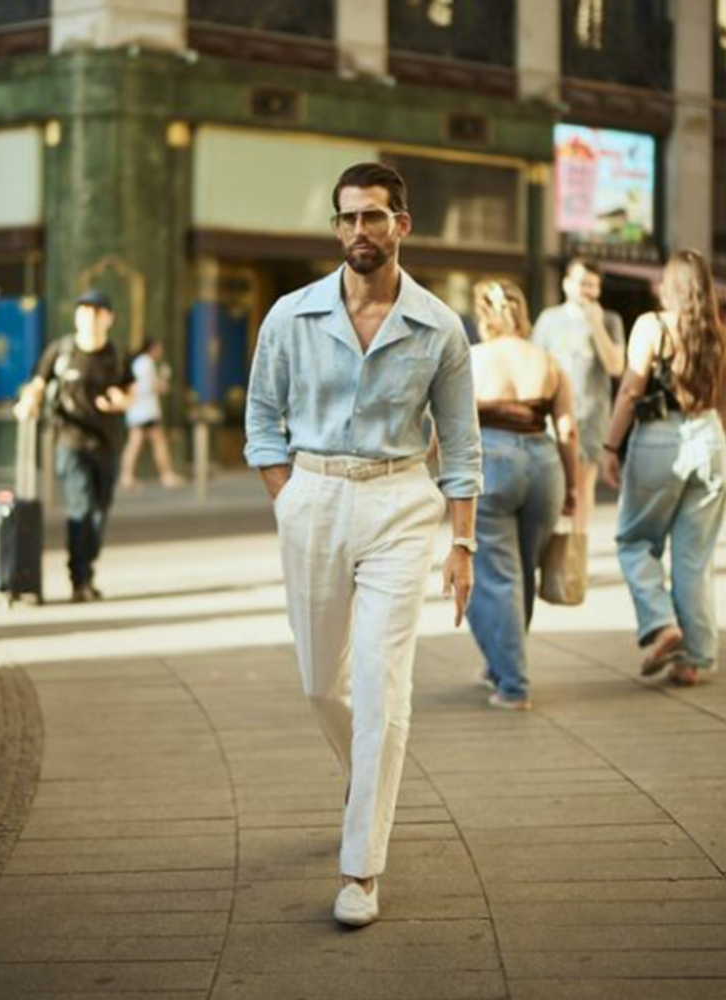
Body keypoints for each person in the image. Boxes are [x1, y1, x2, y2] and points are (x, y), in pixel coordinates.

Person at [244, 162, 482, 927]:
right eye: (346, 219)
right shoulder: (291, 315)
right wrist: (292, 498)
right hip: (312, 493)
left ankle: (362, 868)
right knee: (322, 682)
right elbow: (260, 419)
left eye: (373, 218)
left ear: (401, 226)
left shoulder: (440, 327)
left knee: (383, 682)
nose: (358, 233)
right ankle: (363, 776)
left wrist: (463, 542)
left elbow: (464, 446)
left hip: (399, 505)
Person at [601, 249, 726, 686]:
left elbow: (629, 391)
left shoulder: (652, 326)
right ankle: (694, 659)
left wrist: (609, 446)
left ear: (670, 284)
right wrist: (712, 443)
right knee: (695, 558)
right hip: (711, 439)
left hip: (660, 438)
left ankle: (662, 624)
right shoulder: (721, 335)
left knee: (634, 540)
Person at [466, 279, 577, 711]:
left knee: (495, 578)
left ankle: (513, 685)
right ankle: (501, 664)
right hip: (544, 468)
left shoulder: (472, 360)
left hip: (491, 465)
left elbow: (444, 427)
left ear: (484, 315)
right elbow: (567, 430)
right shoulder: (548, 361)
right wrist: (572, 490)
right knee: (522, 573)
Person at [14, 290, 134, 602]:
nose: (91, 317)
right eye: (85, 311)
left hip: (107, 444)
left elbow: (129, 391)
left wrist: (121, 401)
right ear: (77, 316)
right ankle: (78, 578)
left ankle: (86, 572)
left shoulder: (116, 354)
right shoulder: (62, 350)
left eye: (97, 312)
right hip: (70, 442)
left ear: (109, 318)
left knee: (99, 512)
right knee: (81, 507)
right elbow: (37, 383)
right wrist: (28, 402)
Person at [533, 257, 625, 533]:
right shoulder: (549, 319)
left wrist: (595, 324)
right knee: (551, 487)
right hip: (551, 421)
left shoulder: (610, 320)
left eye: (593, 285)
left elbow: (616, 367)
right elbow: (536, 365)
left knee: (583, 489)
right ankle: (552, 553)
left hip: (591, 418)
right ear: (566, 284)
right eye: (582, 282)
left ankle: (575, 558)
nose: (587, 289)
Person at [119, 338, 185, 489]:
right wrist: (163, 380)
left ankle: (127, 476)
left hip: (137, 410)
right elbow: (151, 386)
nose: (161, 351)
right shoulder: (146, 363)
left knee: (135, 443)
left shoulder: (139, 363)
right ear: (153, 348)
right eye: (159, 348)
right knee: (157, 442)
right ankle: (166, 475)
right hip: (146, 411)